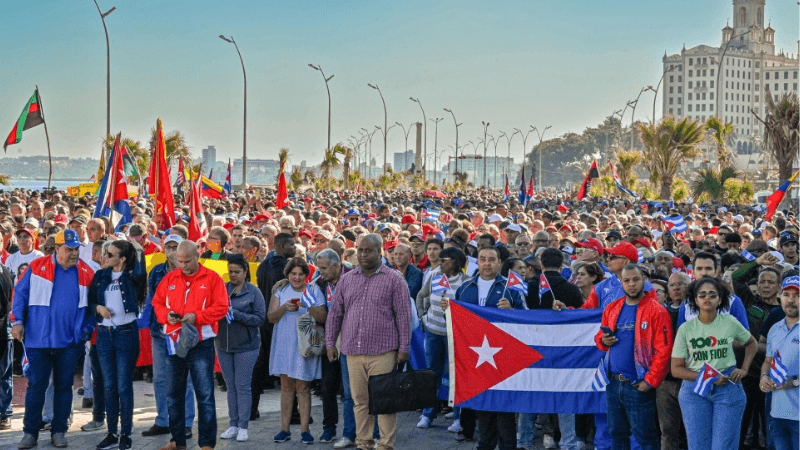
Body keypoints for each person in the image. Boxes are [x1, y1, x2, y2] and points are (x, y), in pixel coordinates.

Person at [325, 234, 411, 450]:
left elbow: (403, 315)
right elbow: (335, 313)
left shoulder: (394, 279)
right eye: (360, 250)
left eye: (368, 250)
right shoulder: (347, 278)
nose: (363, 255)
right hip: (352, 351)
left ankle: (385, 444)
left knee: (384, 402)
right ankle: (364, 443)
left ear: (380, 251)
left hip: (383, 351)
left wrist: (404, 348)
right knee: (360, 402)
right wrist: (329, 343)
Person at [12, 229, 96, 449]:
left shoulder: (87, 272)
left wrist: (86, 329)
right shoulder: (36, 267)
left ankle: (59, 431)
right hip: (37, 341)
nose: (74, 253)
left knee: (63, 387)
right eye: (69, 249)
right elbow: (19, 294)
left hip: (69, 342)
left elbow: (93, 307)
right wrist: (17, 321)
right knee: (36, 387)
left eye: (77, 249)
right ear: (57, 248)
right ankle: (30, 433)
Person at [152, 240, 229, 450]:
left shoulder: (212, 278)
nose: (183, 265)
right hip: (174, 341)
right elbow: (157, 303)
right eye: (180, 261)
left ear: (198, 256)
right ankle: (177, 441)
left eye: (187, 261)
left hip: (201, 343)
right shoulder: (170, 277)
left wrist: (198, 316)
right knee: (173, 394)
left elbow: (222, 307)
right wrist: (166, 316)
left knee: (204, 395)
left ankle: (207, 444)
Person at [671, 276, 758, 450]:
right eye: (702, 295)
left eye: (712, 294)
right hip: (694, 391)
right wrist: (710, 378)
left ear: (720, 299)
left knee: (723, 446)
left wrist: (744, 368)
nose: (707, 298)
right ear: (695, 300)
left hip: (728, 387)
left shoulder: (730, 322)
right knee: (698, 446)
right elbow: (676, 369)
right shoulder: (686, 329)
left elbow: (752, 343)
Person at [452, 246, 524, 450]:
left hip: (504, 361)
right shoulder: (465, 288)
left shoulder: (511, 287)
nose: (486, 263)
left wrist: (512, 310)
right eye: (482, 259)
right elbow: (458, 327)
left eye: (491, 259)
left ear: (500, 262)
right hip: (476, 360)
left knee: (505, 413)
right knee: (483, 411)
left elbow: (527, 319)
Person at [596, 264, 673, 450]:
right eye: (627, 280)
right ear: (621, 283)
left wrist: (650, 381)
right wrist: (603, 341)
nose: (632, 284)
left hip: (638, 384)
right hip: (613, 383)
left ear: (644, 281)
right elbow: (599, 337)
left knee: (646, 438)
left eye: (636, 280)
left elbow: (664, 350)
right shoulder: (612, 308)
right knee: (616, 435)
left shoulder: (657, 311)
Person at [88, 239, 145, 450]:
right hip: (104, 334)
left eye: (110, 255)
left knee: (123, 386)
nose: (105, 257)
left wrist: (137, 247)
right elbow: (90, 302)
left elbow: (140, 269)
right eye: (106, 253)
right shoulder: (101, 275)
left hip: (126, 333)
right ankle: (111, 433)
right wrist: (99, 308)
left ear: (122, 259)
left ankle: (126, 434)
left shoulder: (132, 276)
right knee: (109, 386)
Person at [141, 235, 196, 439]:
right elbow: (152, 301)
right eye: (169, 247)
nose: (172, 251)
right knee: (160, 378)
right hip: (160, 332)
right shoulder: (156, 271)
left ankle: (186, 422)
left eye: (176, 247)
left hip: (183, 333)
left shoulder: (193, 272)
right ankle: (163, 420)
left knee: (185, 378)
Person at [268, 257, 325, 445]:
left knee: (303, 386)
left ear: (306, 276)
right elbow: (271, 317)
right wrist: (284, 307)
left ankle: (305, 430)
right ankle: (284, 429)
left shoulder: (314, 290)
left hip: (305, 342)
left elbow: (324, 316)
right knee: (286, 387)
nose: (297, 278)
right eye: (293, 274)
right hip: (284, 342)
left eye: (301, 274)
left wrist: (307, 305)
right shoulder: (281, 289)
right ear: (288, 274)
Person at [415, 247, 468, 430]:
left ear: (454, 262)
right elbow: (421, 296)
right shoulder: (435, 276)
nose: (439, 263)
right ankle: (427, 414)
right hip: (433, 333)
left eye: (444, 260)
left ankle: (459, 418)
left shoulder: (466, 282)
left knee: (457, 375)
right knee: (432, 374)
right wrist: (423, 317)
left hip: (455, 337)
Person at [217, 255, 266, 443]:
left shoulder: (254, 292)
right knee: (231, 387)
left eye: (237, 272)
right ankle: (233, 424)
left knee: (243, 386)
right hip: (224, 345)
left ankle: (243, 426)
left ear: (246, 272)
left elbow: (260, 319)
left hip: (247, 346)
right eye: (230, 272)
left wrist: (237, 315)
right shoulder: (223, 289)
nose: (233, 275)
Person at [252, 232, 295, 417]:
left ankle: (251, 410)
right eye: (292, 245)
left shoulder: (261, 267)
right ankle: (293, 413)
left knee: (259, 367)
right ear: (283, 246)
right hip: (282, 321)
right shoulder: (289, 268)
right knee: (289, 368)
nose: (294, 248)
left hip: (264, 323)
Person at [759, 276, 799, 450]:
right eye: (786, 294)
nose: (791, 300)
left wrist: (793, 382)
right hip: (777, 411)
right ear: (779, 298)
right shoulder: (775, 329)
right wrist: (763, 377)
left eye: (797, 295)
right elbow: (768, 360)